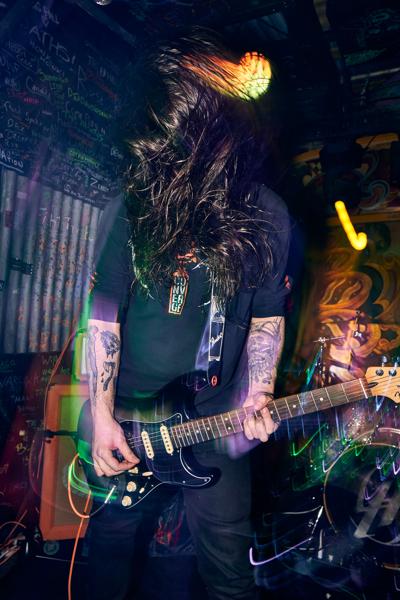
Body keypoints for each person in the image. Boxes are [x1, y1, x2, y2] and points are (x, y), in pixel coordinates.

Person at [84, 30, 290, 600]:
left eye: (170, 157)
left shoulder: (267, 217)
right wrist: (101, 414)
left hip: (216, 419)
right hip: (128, 414)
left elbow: (268, 316)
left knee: (230, 569)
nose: (157, 172)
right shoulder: (131, 208)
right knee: (109, 555)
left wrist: (259, 392)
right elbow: (104, 315)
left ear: (212, 142)